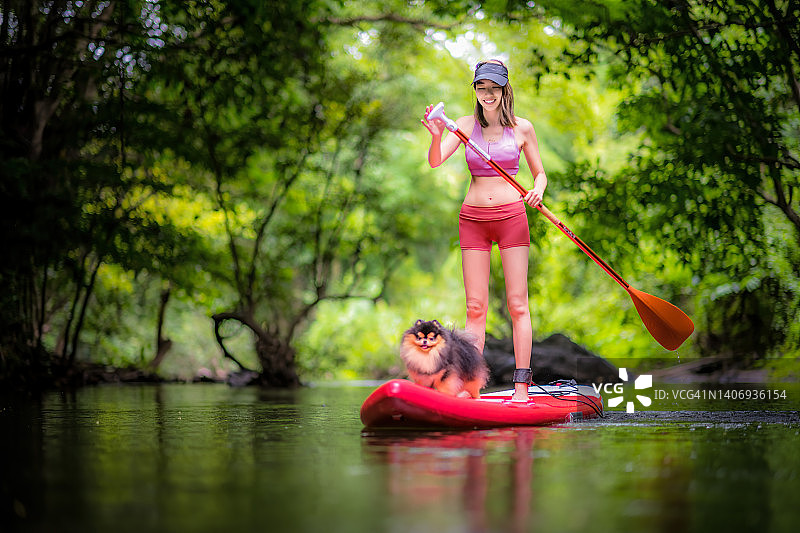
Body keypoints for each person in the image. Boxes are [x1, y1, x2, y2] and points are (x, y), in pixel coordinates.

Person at [421, 59, 547, 402]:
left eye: (494, 87)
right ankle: (469, 386)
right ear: (475, 90)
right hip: (473, 219)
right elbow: (435, 161)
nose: (487, 94)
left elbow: (540, 174)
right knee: (475, 308)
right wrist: (436, 136)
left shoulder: (523, 128)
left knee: (518, 305)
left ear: (505, 89)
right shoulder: (462, 125)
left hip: (511, 217)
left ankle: (521, 388)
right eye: (481, 87)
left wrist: (538, 190)